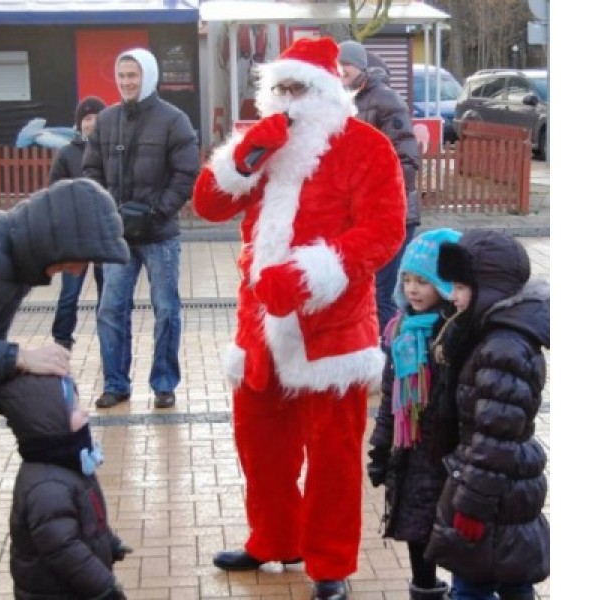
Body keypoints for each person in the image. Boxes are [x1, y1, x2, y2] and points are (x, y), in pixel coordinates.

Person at [192, 36, 406, 600]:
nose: (288, 100)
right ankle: (273, 539)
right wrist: (246, 155)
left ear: (329, 92)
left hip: (329, 329)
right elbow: (209, 205)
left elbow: (384, 232)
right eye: (280, 88)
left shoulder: (367, 146)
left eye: (300, 88)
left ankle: (329, 562)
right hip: (260, 327)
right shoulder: (263, 144)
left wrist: (312, 274)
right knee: (259, 446)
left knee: (333, 454)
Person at [0, 178, 130, 600]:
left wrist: (50, 410)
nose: (79, 270)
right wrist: (18, 356)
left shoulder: (16, 266)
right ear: (60, 239)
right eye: (82, 256)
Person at [424, 230, 550, 600]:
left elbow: (494, 439)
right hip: (503, 488)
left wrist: (473, 507)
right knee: (513, 580)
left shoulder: (502, 347)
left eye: (461, 287)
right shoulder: (491, 335)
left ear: (489, 289)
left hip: (491, 493)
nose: (453, 296)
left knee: (472, 586)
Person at [83, 47, 200, 410]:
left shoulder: (174, 120)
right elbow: (91, 171)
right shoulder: (106, 120)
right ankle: (115, 383)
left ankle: (164, 383)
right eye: (121, 76)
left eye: (132, 76)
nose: (126, 83)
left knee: (166, 309)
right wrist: (108, 211)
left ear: (147, 76)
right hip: (118, 237)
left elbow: (186, 174)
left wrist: (156, 212)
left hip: (159, 234)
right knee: (110, 310)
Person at [366, 228, 462, 600]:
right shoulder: (401, 331)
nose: (412, 289)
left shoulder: (454, 333)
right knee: (416, 528)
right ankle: (424, 589)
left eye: (422, 281)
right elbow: (392, 398)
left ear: (444, 283)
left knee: (450, 530)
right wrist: (380, 448)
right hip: (411, 452)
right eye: (407, 279)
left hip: (446, 453)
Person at [0, 374, 132, 600]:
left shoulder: (66, 464)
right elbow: (64, 550)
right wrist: (105, 587)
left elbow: (85, 520)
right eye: (75, 408)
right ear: (49, 421)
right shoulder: (47, 486)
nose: (84, 413)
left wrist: (108, 542)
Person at [338, 40, 422, 332]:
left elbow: (407, 160)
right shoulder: (343, 103)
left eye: (345, 65)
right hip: (360, 216)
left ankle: (390, 368)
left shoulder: (386, 100)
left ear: (361, 68)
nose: (340, 71)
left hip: (392, 216)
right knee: (367, 294)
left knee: (384, 296)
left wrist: (377, 197)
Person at [49, 95, 107, 350]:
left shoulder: (114, 150)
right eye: (86, 118)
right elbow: (54, 191)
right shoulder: (67, 153)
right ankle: (62, 338)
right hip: (75, 234)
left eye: (96, 117)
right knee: (70, 291)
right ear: (79, 123)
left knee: (107, 291)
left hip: (106, 232)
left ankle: (107, 336)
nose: (91, 123)